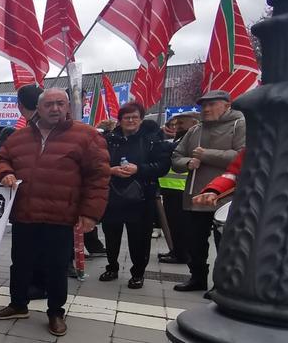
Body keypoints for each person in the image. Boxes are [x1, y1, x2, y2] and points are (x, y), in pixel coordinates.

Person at [0, 88, 110, 338]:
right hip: (25, 214)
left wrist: (90, 213)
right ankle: (18, 304)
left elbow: (98, 177)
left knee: (56, 267)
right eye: (49, 104)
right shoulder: (19, 137)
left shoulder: (86, 136)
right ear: (39, 108)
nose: (55, 108)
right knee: (20, 264)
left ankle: (56, 312)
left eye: (60, 103)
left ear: (67, 107)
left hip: (60, 216)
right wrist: (5, 173)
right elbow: (1, 159)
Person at [171, 90, 245, 292]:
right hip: (196, 196)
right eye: (204, 105)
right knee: (195, 242)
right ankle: (197, 278)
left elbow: (242, 156)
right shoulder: (195, 130)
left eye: (212, 104)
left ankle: (221, 285)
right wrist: (187, 162)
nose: (206, 109)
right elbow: (176, 156)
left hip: (226, 198)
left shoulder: (239, 125)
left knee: (224, 244)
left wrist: (206, 154)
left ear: (227, 105)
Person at [99, 103, 171, 289]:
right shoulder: (109, 139)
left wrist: (139, 169)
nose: (131, 120)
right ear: (120, 120)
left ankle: (138, 273)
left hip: (142, 197)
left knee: (139, 238)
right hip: (113, 195)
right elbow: (97, 164)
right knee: (111, 234)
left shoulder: (152, 139)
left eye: (135, 117)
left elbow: (163, 166)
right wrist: (111, 170)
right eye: (126, 117)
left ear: (141, 119)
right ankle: (112, 267)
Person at [157, 111, 199, 264]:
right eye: (176, 123)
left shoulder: (193, 137)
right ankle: (176, 250)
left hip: (181, 187)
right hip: (172, 187)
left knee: (180, 224)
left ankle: (181, 254)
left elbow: (172, 150)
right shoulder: (181, 136)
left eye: (181, 123)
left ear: (193, 123)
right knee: (173, 224)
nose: (177, 126)